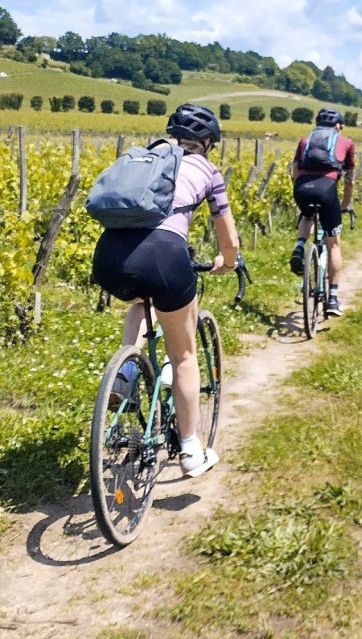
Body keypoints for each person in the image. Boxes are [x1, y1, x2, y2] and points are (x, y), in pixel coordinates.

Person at [91, 103, 240, 478]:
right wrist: (228, 261)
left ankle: (126, 372)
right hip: (164, 256)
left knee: (141, 302)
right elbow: (229, 238)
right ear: (207, 143)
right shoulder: (207, 169)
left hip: (110, 257)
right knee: (185, 354)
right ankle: (191, 449)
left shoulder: (146, 158)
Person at [290, 108, 355, 316]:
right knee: (333, 242)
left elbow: (294, 172)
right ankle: (333, 299)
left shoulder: (304, 141)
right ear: (338, 126)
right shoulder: (346, 143)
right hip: (327, 190)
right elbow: (349, 181)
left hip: (301, 188)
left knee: (307, 215)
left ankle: (299, 246)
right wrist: (345, 205)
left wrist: (301, 195)